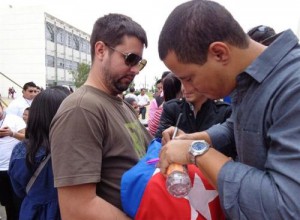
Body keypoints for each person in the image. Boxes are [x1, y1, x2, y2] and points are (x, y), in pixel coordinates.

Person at [157, 0, 300, 219]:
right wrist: (196, 138)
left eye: (189, 78)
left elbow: (286, 207)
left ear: (220, 53)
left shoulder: (293, 86)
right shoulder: (251, 82)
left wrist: (196, 152)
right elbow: (239, 127)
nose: (186, 90)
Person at [49, 13, 152, 220]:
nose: (135, 70)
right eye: (130, 59)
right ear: (101, 50)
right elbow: (77, 209)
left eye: (140, 62)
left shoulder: (119, 103)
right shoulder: (81, 109)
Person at [8, 86, 70, 220]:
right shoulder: (76, 148)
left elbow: (18, 189)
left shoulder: (21, 150)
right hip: (69, 211)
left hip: (32, 212)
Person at [155, 85, 232, 143]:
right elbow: (158, 142)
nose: (185, 87)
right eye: (182, 80)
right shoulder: (171, 108)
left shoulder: (225, 111)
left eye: (190, 80)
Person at [0, 102, 26, 220]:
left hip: (14, 169)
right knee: (7, 203)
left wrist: (12, 133)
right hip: (0, 170)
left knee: (19, 202)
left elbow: (27, 138)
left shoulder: (14, 119)